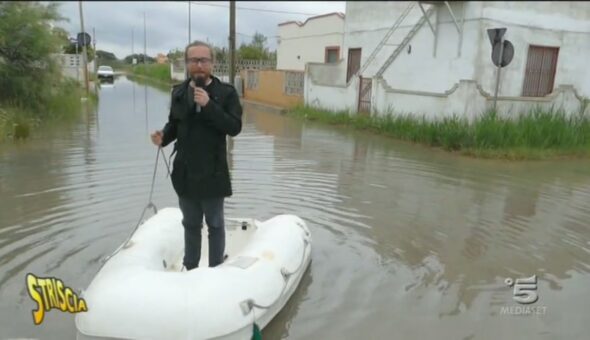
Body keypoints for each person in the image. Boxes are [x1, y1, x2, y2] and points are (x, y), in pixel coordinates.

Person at [150, 40, 242, 269]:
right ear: (187, 63)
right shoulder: (179, 92)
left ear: (212, 63)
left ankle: (215, 269)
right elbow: (174, 124)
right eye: (194, 60)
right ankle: (190, 268)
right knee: (190, 224)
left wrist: (209, 104)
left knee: (215, 224)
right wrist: (163, 137)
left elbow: (234, 127)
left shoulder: (226, 93)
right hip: (185, 171)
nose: (199, 65)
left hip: (213, 171)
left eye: (204, 60)